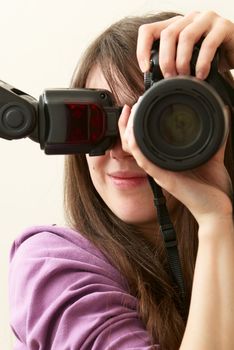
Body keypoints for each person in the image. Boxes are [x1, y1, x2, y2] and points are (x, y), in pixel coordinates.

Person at [9, 10, 234, 350]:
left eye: (154, 121)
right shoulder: (52, 267)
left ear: (215, 129)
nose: (123, 149)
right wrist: (215, 220)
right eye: (97, 122)